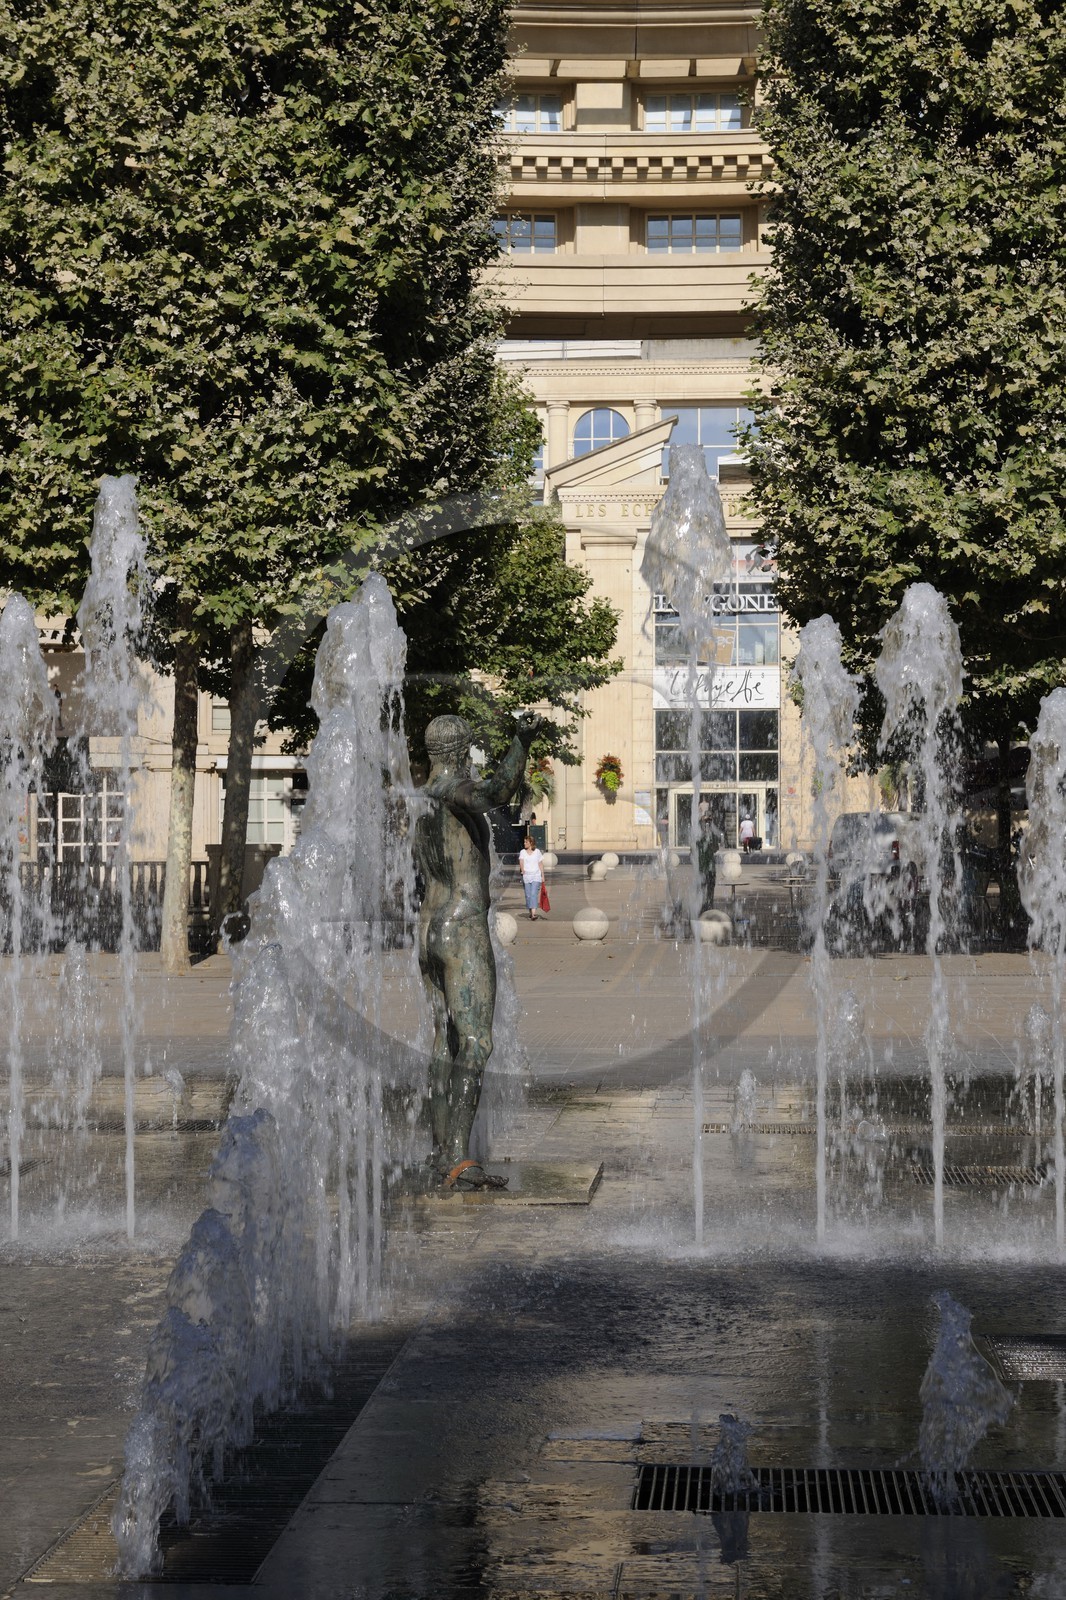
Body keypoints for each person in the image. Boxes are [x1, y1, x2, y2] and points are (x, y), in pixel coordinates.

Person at [413, 710, 542, 1190]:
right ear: (459, 752)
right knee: (476, 1043)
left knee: (444, 1042)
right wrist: (520, 743)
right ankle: (457, 1158)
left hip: (428, 929)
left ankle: (440, 1151)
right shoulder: (453, 791)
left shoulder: (423, 798)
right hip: (462, 929)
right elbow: (492, 795)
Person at [518, 834, 544, 920]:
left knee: (533, 894)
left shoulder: (537, 852)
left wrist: (542, 876)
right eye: (524, 842)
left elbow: (540, 864)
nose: (524, 843)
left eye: (526, 842)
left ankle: (533, 914)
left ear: (531, 843)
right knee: (528, 895)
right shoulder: (522, 852)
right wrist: (522, 870)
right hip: (526, 876)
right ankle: (531, 911)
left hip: (536, 876)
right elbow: (521, 861)